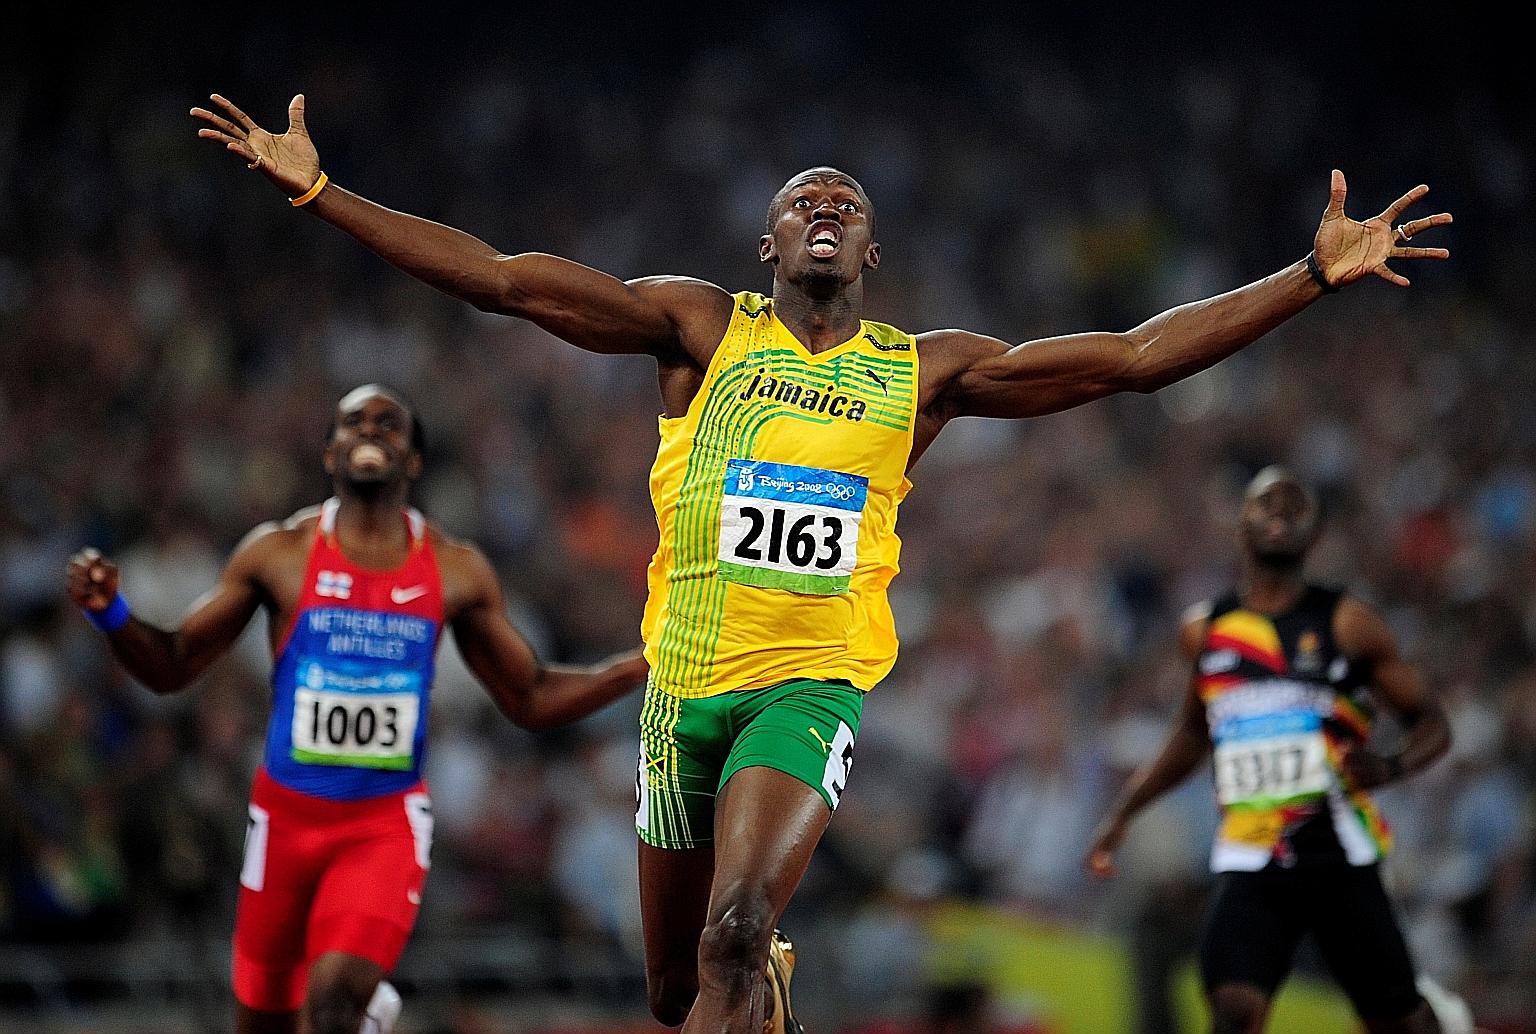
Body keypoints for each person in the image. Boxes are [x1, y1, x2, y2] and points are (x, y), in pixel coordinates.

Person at [190, 92, 1452, 1033]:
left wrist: (1305, 279)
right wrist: (321, 191)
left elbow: (1129, 357)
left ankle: (763, 964)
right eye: (803, 196)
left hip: (811, 684)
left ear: (874, 256)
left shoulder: (924, 370)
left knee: (743, 926)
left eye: (849, 199)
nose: (828, 203)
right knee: (681, 990)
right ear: (768, 243)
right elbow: (511, 283)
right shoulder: (699, 330)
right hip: (682, 694)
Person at [67, 384, 648, 1034]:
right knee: (262, 1020)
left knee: (335, 1002)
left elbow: (530, 695)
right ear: (329, 452)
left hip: (383, 826)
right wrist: (111, 613)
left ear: (415, 460)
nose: (370, 430)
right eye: (353, 422)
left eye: (388, 424)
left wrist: (637, 665)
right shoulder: (279, 555)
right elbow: (173, 666)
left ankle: (358, 1010)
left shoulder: (455, 570)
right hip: (285, 823)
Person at [1085, 467, 1454, 1034]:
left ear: (1316, 533)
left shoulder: (1348, 624)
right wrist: (1125, 811)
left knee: (1397, 1018)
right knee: (1233, 1005)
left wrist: (1390, 765)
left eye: (1294, 507)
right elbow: (1192, 733)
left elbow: (1432, 723)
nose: (1280, 516)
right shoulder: (1206, 631)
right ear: (1240, 526)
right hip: (1254, 852)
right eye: (1266, 504)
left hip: (1336, 854)